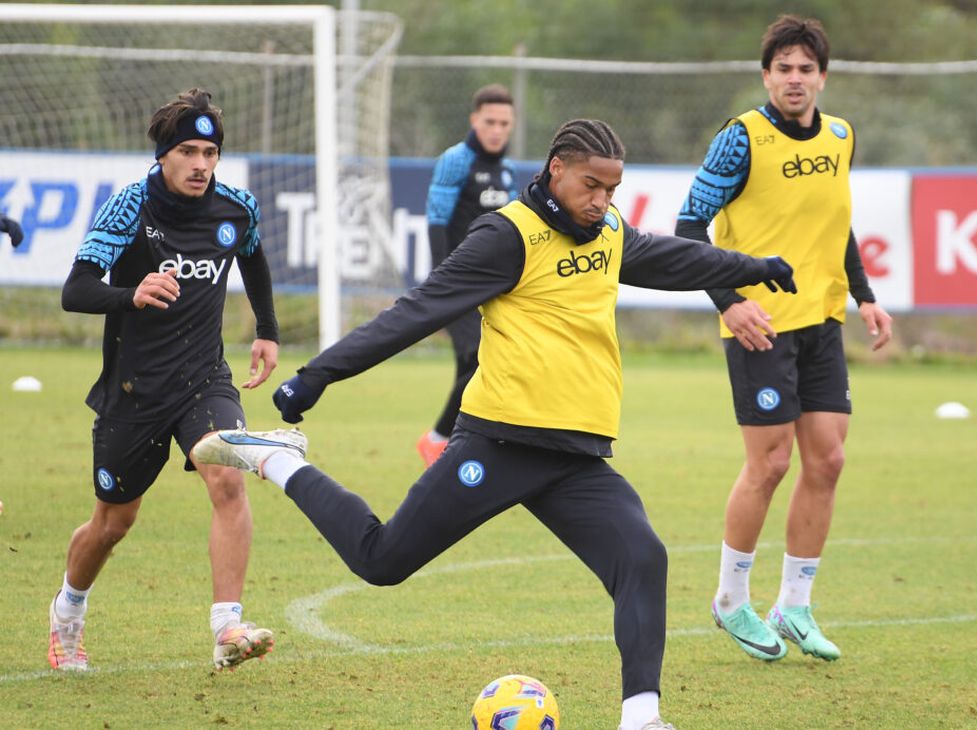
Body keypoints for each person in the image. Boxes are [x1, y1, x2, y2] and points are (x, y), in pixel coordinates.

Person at [193, 119, 796, 730]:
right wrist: (319, 374)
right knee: (381, 561)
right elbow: (417, 310)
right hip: (499, 441)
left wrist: (745, 266)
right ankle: (277, 459)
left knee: (642, 557)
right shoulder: (508, 236)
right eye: (591, 186)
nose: (602, 201)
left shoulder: (607, 231)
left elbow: (669, 257)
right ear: (556, 168)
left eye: (612, 189)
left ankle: (641, 718)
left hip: (575, 456)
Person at [675, 15, 893, 663]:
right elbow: (688, 230)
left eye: (806, 69)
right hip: (760, 327)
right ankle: (730, 600)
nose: (794, 79)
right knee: (769, 464)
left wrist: (866, 295)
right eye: (783, 69)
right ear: (765, 74)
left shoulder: (841, 135)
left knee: (826, 461)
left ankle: (793, 606)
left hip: (822, 323)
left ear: (823, 76)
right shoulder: (739, 140)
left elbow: (837, 223)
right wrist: (731, 302)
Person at [50, 88, 280, 672]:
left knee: (228, 479)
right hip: (134, 392)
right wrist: (133, 293)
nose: (202, 164)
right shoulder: (130, 207)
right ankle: (67, 613)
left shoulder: (236, 206)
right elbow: (75, 291)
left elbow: (251, 255)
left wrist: (267, 329)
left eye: (210, 152)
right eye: (188, 151)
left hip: (205, 380)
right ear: (163, 156)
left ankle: (227, 626)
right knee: (112, 522)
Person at [417, 83, 517, 467]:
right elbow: (437, 220)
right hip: (457, 284)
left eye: (504, 123)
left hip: (494, 290)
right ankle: (438, 440)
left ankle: (457, 448)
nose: (496, 129)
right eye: (489, 121)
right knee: (481, 361)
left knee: (471, 369)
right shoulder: (456, 160)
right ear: (475, 120)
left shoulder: (506, 170)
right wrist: (443, 280)